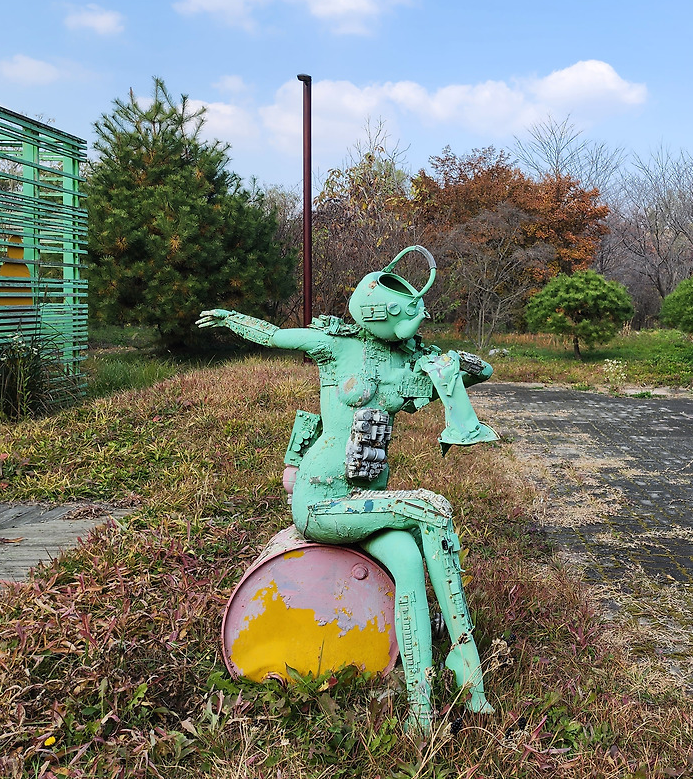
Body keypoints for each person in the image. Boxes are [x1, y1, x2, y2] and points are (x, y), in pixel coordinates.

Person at [197, 246, 496, 733]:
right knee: (432, 509)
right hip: (321, 501)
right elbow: (275, 335)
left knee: (409, 561)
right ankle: (467, 664)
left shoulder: (411, 358)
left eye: (415, 310)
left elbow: (482, 371)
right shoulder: (335, 347)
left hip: (363, 500)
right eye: (400, 308)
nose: (410, 319)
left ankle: (422, 707)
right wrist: (231, 319)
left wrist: (450, 362)